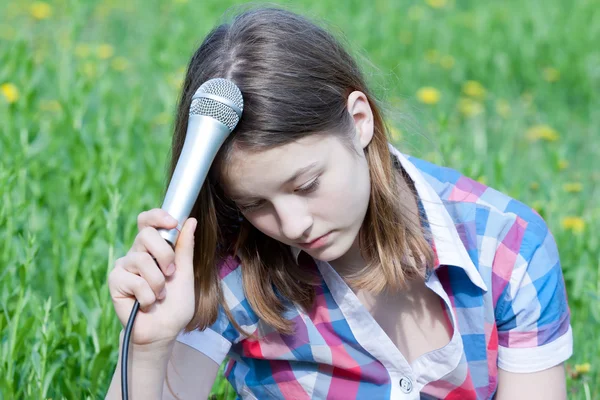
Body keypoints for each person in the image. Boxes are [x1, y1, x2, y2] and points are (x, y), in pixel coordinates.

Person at [105, 6, 572, 400]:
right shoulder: (231, 265)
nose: (291, 224)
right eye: (254, 203)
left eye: (307, 184)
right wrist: (147, 348)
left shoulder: (506, 250)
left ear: (360, 119)